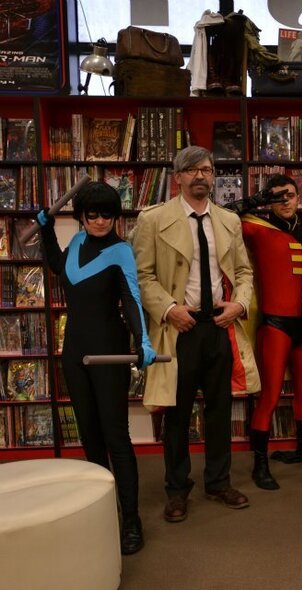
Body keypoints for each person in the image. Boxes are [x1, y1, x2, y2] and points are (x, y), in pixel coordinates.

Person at [132, 145, 259, 523]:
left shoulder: (228, 221)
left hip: (218, 327)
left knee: (221, 410)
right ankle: (176, 489)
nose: (201, 176)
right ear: (178, 178)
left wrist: (239, 305)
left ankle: (219, 482)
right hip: (179, 330)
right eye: (192, 170)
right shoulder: (154, 220)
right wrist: (169, 310)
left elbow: (244, 274)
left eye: (206, 169)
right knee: (177, 414)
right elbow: (143, 275)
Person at [37, 181, 157, 555]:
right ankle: (103, 511)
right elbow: (57, 267)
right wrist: (44, 229)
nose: (101, 220)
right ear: (83, 217)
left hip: (108, 352)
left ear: (115, 216)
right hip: (74, 352)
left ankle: (131, 519)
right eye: (93, 214)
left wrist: (143, 340)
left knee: (116, 438)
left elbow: (132, 298)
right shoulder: (75, 243)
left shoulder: (121, 251)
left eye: (107, 214)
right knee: (89, 437)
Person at [229, 174, 302, 491]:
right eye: (278, 197)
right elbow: (222, 215)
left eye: (290, 195)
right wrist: (258, 200)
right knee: (270, 395)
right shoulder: (257, 227)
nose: (285, 201)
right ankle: (260, 464)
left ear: (300, 198)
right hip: (274, 325)